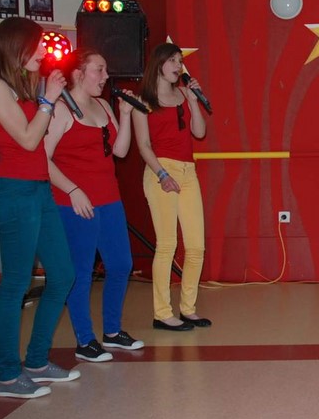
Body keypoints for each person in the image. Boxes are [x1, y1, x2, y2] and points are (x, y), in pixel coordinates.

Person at [0, 16, 79, 398]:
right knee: (17, 284)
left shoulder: (24, 87)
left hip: (38, 190)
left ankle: (36, 361)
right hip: (14, 191)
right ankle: (7, 375)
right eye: (37, 45)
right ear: (15, 46)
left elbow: (38, 143)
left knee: (63, 275)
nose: (43, 51)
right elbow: (26, 140)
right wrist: (48, 100)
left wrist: (45, 98)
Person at [44, 49, 144, 362]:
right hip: (75, 203)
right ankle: (85, 340)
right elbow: (42, 159)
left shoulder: (102, 105)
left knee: (121, 264)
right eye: (99, 70)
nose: (105, 77)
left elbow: (120, 151)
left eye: (105, 70)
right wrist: (73, 190)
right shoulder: (61, 110)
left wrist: (125, 116)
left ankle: (112, 332)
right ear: (78, 73)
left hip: (109, 198)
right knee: (82, 271)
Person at [132, 43, 211, 331]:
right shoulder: (143, 100)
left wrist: (193, 101)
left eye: (180, 60)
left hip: (188, 171)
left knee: (196, 246)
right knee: (167, 245)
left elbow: (199, 132)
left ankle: (188, 309)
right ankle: (162, 313)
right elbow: (143, 145)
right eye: (173, 60)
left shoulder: (183, 94)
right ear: (159, 64)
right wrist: (163, 174)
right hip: (160, 171)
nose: (179, 66)